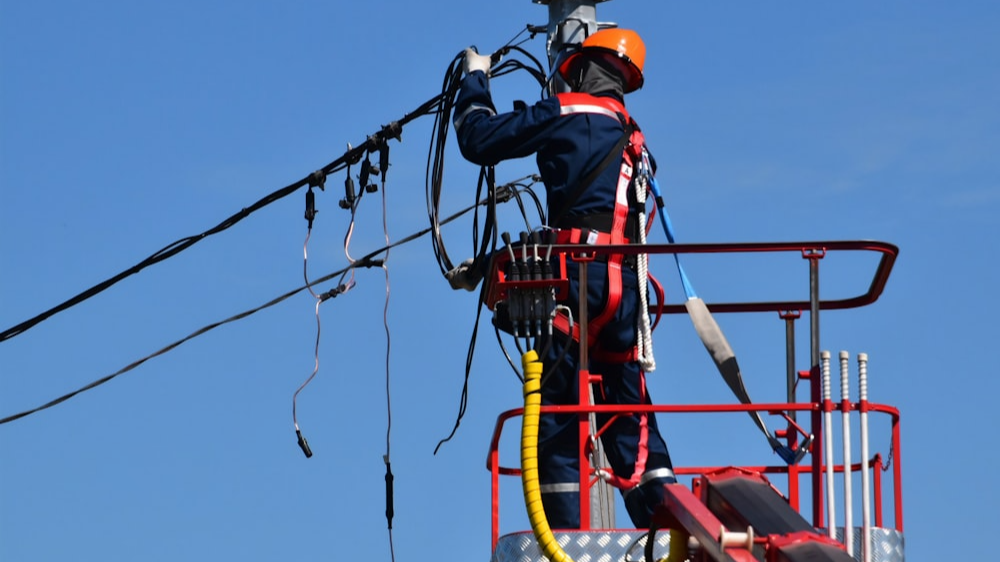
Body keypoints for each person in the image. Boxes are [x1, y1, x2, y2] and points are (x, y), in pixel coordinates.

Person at [449, 29, 676, 529]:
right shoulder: (634, 138)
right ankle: (667, 525)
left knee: (558, 418)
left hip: (575, 285)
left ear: (580, 69)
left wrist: (475, 79)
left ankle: (567, 540)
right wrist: (487, 267)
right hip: (624, 294)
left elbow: (478, 139)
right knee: (632, 419)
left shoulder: (567, 111)